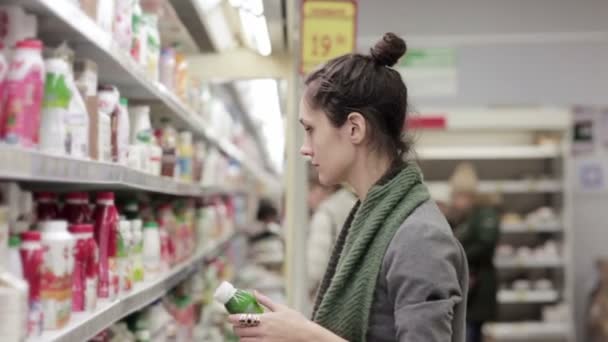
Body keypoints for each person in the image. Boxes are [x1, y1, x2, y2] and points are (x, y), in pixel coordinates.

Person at [228, 32, 468, 342]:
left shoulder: (419, 237)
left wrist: (308, 335)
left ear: (354, 128)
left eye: (311, 130)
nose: (305, 147)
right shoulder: (368, 219)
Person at [447, 163, 500, 342]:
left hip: (479, 288)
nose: (457, 201)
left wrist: (457, 256)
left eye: (461, 196)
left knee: (470, 332)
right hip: (466, 287)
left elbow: (486, 244)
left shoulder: (484, 214)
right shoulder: (463, 216)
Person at [307, 166, 356, 300]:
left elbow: (315, 269)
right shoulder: (354, 203)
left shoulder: (325, 213)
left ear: (322, 188)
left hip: (330, 294)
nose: (308, 198)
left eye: (310, 191)